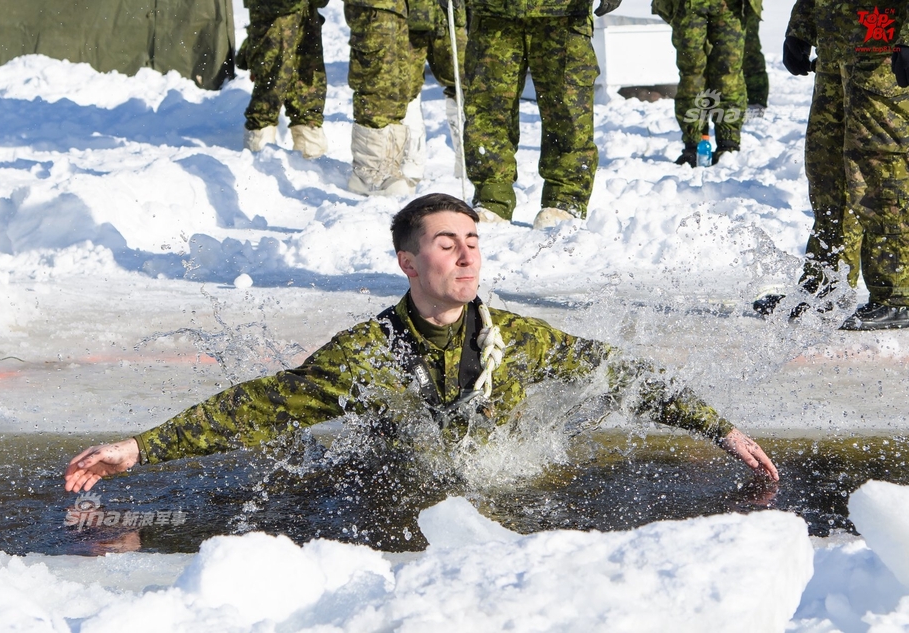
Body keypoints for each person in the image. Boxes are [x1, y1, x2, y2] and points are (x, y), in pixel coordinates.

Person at [64, 193, 778, 494]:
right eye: (447, 244)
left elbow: (615, 374)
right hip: (403, 486)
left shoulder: (514, 337)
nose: (468, 257)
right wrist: (142, 448)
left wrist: (717, 427)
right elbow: (265, 405)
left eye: (473, 242)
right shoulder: (366, 351)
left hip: (500, 487)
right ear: (409, 263)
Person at [767, 1, 909, 330]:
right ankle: (827, 282)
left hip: (881, 49)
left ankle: (897, 293)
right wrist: (800, 28)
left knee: (880, 169)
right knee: (827, 170)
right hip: (836, 51)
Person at [461, 0, 622, 229]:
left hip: (564, 11)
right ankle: (492, 199)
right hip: (493, 11)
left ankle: (565, 200)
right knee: (488, 106)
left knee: (568, 109)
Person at [345, 0, 466, 195]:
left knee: (465, 78)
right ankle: (377, 171)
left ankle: (469, 162)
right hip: (386, 9)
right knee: (388, 85)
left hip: (436, 9)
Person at [652, 0, 760, 167]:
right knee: (692, 74)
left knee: (728, 73)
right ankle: (693, 144)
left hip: (730, 6)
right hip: (689, 5)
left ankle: (728, 144)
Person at [237, 0, 329, 158]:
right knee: (271, 85)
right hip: (274, 10)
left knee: (308, 85)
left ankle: (310, 154)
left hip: (306, 9)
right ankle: (258, 158)